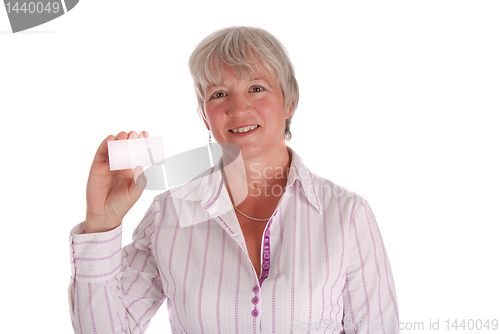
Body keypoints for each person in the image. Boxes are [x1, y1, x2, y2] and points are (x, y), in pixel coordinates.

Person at [68, 26, 399, 333]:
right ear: (204, 116)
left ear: (290, 101)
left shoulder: (347, 215)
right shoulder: (169, 215)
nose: (239, 108)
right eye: (219, 94)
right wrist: (102, 222)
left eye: (256, 88)